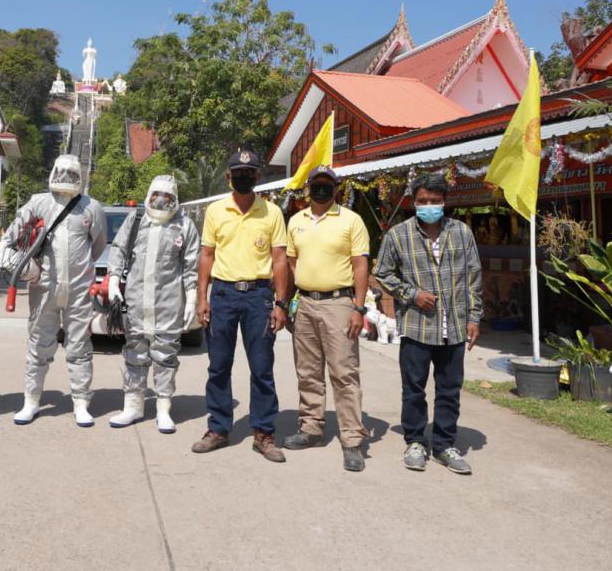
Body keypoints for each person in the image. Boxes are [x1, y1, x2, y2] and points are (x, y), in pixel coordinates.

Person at [373, 172, 482, 474]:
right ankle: (415, 442)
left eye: (435, 201)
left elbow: (473, 277)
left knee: (449, 390)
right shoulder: (398, 235)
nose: (429, 206)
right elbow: (383, 273)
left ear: (444, 201)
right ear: (414, 202)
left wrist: (474, 317)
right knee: (414, 390)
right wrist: (412, 294)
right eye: (423, 201)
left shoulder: (461, 233)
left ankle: (445, 445)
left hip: (454, 326)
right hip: (416, 326)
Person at [192, 147, 290, 463]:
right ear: (229, 176)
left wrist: (281, 303)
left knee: (262, 368)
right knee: (219, 366)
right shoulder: (215, 211)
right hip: (222, 295)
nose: (244, 177)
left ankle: (263, 433)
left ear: (258, 176)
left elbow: (279, 259)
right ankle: (218, 429)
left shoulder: (271, 213)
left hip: (259, 297)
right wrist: (202, 298)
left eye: (249, 173)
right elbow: (206, 255)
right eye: (238, 173)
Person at [0, 154, 107, 427]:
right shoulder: (38, 203)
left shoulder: (91, 207)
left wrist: (79, 270)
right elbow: (14, 235)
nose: (67, 179)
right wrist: (14, 259)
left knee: (79, 346)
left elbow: (97, 246)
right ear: (54, 172)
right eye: (63, 173)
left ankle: (80, 402)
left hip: (79, 290)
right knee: (38, 344)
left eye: (72, 174)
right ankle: (31, 400)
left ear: (80, 176)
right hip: (43, 287)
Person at [281, 166, 372, 472]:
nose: (321, 189)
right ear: (308, 188)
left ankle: (351, 440)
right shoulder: (296, 221)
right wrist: (286, 303)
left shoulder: (351, 220)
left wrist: (359, 308)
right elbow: (291, 264)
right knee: (307, 371)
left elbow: (360, 265)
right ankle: (311, 428)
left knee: (344, 373)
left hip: (339, 304)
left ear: (336, 188)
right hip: (306, 303)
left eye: (327, 184)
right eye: (316, 184)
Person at [105, 175, 200, 433]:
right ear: (149, 195)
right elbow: (119, 250)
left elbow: (191, 264)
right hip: (136, 300)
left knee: (165, 355)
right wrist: (113, 280)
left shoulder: (184, 226)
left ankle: (163, 408)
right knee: (134, 351)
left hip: (168, 303)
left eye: (167, 196)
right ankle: (133, 406)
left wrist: (192, 296)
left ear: (175, 199)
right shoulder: (136, 220)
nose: (161, 200)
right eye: (157, 195)